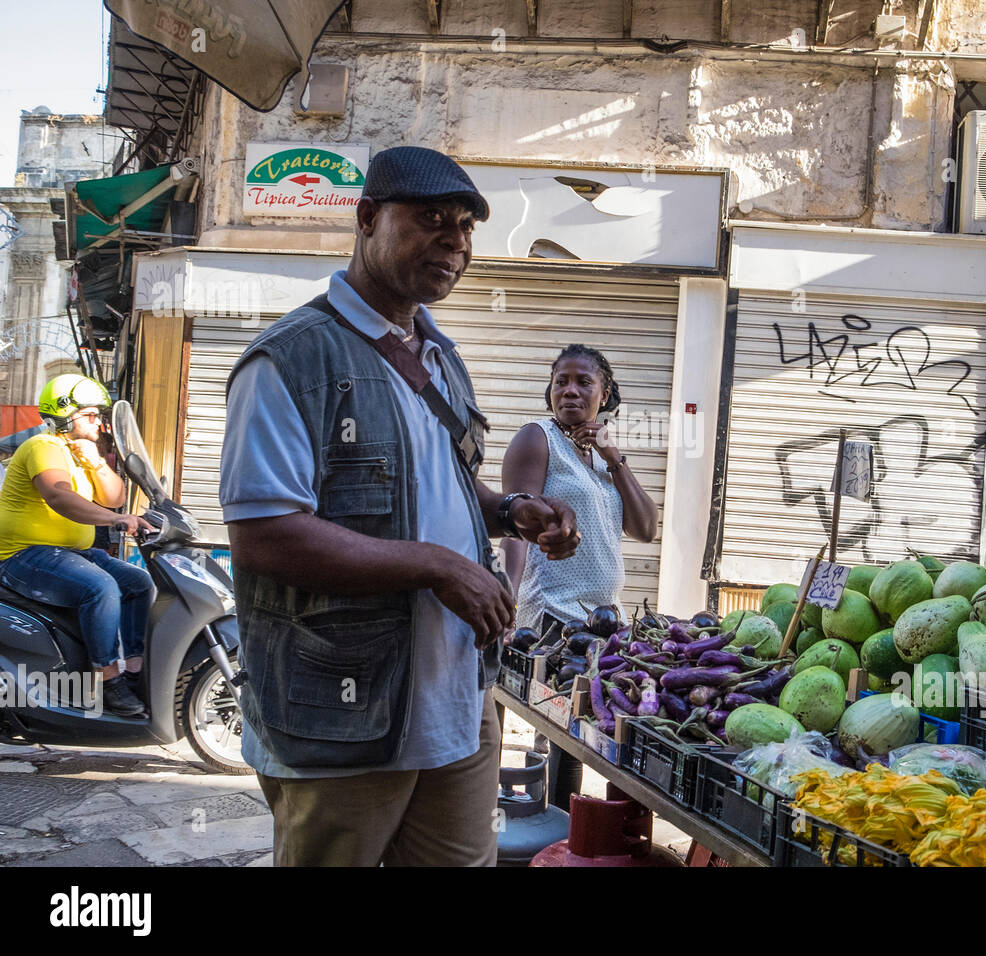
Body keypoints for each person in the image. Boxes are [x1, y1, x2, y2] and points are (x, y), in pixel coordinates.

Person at [219, 146, 581, 867]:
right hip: (343, 713)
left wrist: (510, 511)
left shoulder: (441, 357)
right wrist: (434, 566)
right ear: (365, 219)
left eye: (465, 227)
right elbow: (266, 536)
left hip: (456, 706)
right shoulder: (290, 360)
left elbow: (435, 491)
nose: (454, 240)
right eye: (429, 220)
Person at [500, 345, 658, 808]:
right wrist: (507, 604)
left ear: (604, 393)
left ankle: (563, 834)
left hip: (601, 622)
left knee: (580, 732)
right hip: (551, 616)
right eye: (560, 380)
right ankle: (551, 832)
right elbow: (515, 527)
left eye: (583, 382)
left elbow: (645, 528)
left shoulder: (601, 458)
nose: (569, 390)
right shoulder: (537, 438)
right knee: (562, 730)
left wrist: (615, 457)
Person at [0, 374, 157, 716]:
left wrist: (96, 461)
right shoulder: (44, 447)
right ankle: (108, 681)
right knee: (100, 587)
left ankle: (134, 672)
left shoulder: (78, 455)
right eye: (89, 415)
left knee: (137, 582)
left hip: (69, 554)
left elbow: (114, 497)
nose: (98, 423)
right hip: (23, 555)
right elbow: (59, 497)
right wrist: (117, 520)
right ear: (65, 415)